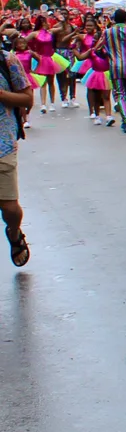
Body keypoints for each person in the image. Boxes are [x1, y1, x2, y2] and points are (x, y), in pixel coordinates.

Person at [0, 39, 32, 267]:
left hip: (2, 144)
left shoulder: (6, 59)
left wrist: (1, 94)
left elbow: (27, 98)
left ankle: (13, 231)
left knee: (9, 208)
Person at [73, 15, 115, 127]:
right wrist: (73, 49)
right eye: (95, 39)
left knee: (106, 96)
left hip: (106, 74)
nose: (96, 41)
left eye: (99, 39)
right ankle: (96, 115)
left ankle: (108, 116)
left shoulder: (107, 51)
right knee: (96, 96)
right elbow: (80, 57)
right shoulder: (91, 51)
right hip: (95, 74)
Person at [103, 9, 126, 133]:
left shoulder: (107, 32)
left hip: (115, 65)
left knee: (119, 93)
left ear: (114, 19)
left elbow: (100, 49)